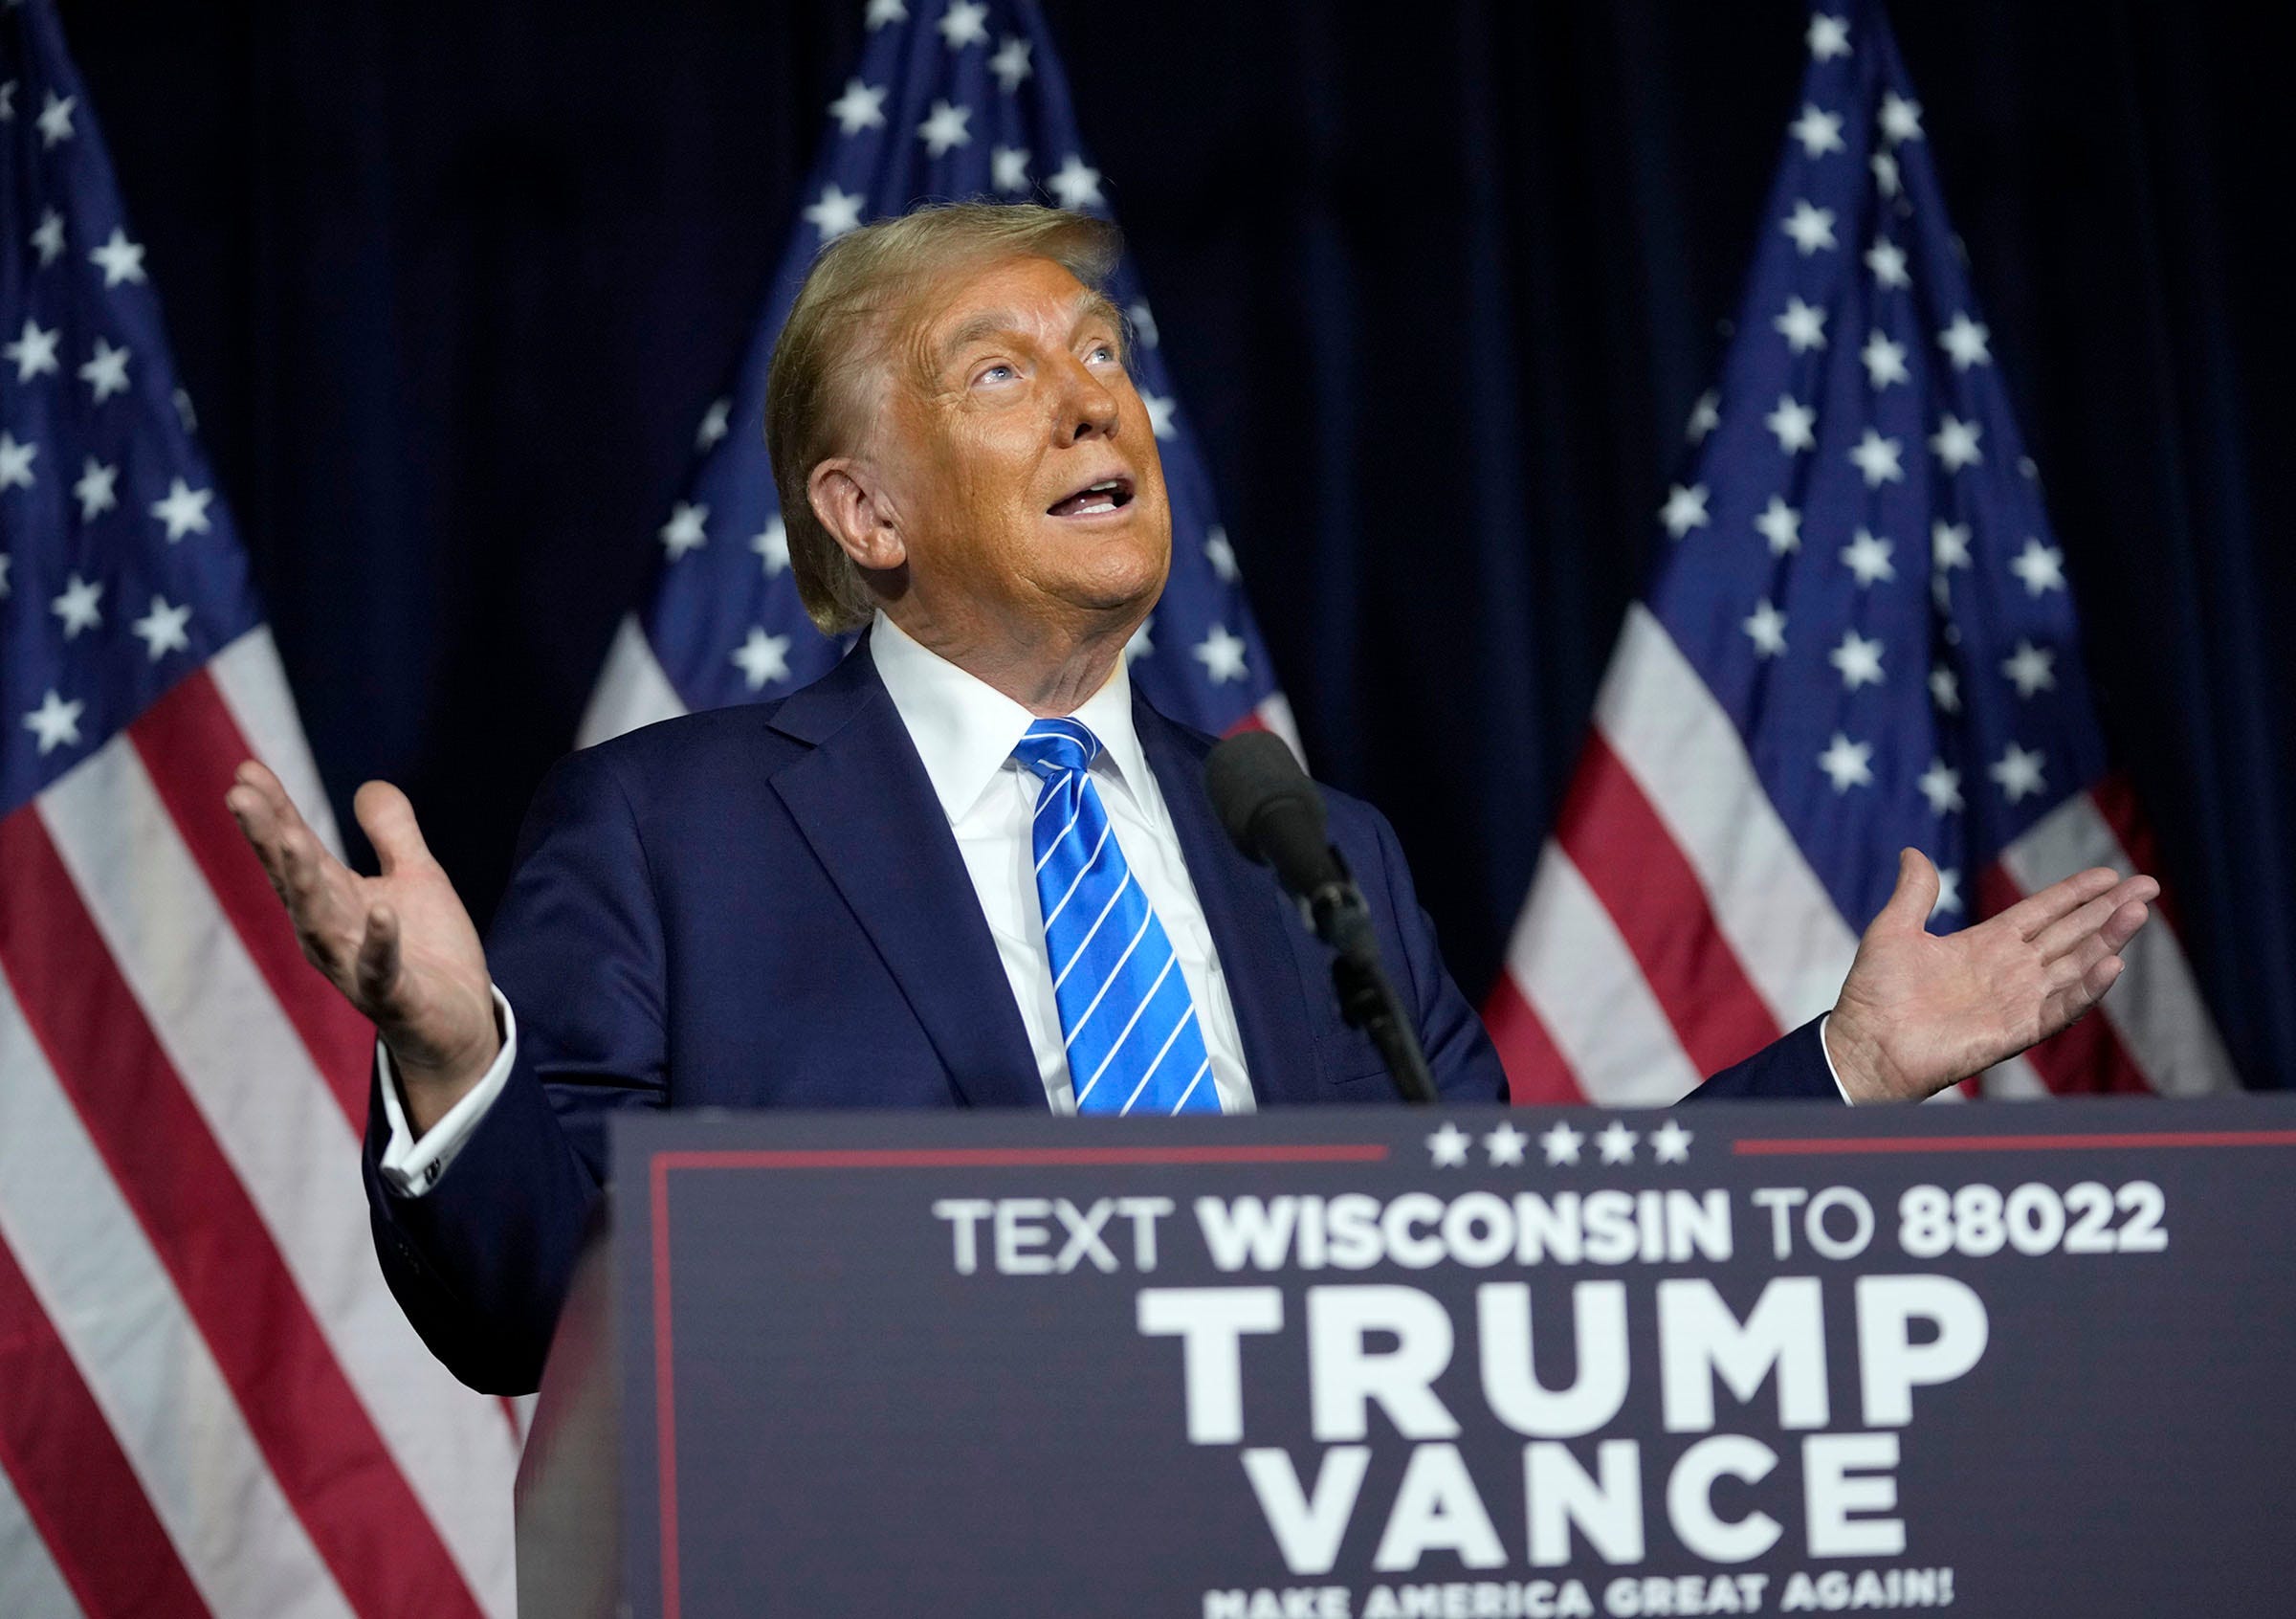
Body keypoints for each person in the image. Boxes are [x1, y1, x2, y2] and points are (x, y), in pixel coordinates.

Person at [227, 204, 2157, 1393]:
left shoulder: (1307, 847)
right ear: (864, 511)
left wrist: (1849, 1069)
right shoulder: (669, 833)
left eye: (1102, 357)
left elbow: (1513, 1265)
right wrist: (454, 1056)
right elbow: (529, 1318)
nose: (1096, 402)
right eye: (1002, 374)